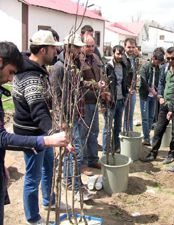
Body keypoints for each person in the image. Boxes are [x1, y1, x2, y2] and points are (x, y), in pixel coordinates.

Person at [11, 30, 68, 225]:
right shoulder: (31, 76)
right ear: (43, 50)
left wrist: (54, 124)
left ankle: (48, 200)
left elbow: (44, 106)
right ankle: (33, 218)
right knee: (33, 177)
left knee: (48, 166)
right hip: (32, 134)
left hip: (42, 131)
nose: (56, 52)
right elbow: (38, 113)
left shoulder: (36, 68)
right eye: (53, 49)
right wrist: (55, 134)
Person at [50, 33, 92, 201]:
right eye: (76, 47)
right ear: (68, 47)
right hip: (67, 118)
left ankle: (72, 182)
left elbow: (79, 85)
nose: (80, 49)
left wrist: (94, 85)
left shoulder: (74, 64)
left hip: (77, 113)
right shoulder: (59, 67)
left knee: (74, 151)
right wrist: (62, 121)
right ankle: (74, 186)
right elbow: (56, 96)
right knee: (75, 153)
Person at [143, 47, 174, 163]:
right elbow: (161, 83)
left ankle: (172, 154)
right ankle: (153, 152)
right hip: (164, 104)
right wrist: (160, 96)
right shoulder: (165, 68)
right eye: (167, 58)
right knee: (158, 129)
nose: (170, 60)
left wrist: (173, 107)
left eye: (172, 58)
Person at [80, 35, 104, 171]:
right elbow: (79, 81)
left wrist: (102, 85)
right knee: (84, 133)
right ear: (82, 46)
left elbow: (101, 74)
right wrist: (95, 85)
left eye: (92, 46)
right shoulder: (78, 60)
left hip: (94, 100)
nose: (90, 48)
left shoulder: (95, 58)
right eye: (87, 46)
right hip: (83, 101)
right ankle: (83, 163)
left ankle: (93, 159)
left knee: (94, 131)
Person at [102, 45, 130, 153]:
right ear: (113, 53)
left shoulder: (123, 65)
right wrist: (104, 101)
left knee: (118, 126)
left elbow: (124, 81)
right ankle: (105, 150)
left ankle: (116, 147)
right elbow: (104, 84)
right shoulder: (108, 66)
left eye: (122, 54)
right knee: (107, 128)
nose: (120, 56)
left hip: (120, 100)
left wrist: (126, 92)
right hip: (110, 101)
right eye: (118, 53)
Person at [139, 51, 164, 145]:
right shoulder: (145, 67)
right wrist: (151, 90)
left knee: (151, 117)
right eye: (157, 61)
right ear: (153, 57)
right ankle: (146, 138)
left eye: (160, 62)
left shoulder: (158, 69)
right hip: (145, 95)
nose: (158, 64)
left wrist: (157, 92)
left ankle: (147, 135)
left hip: (153, 96)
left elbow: (159, 81)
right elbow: (143, 81)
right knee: (145, 118)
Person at [123, 38, 137, 132]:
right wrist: (127, 89)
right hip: (125, 91)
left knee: (130, 115)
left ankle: (130, 133)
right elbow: (122, 76)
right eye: (129, 47)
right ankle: (125, 134)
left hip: (133, 91)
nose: (131, 49)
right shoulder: (122, 58)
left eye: (133, 47)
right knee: (124, 116)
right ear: (125, 47)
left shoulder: (134, 59)